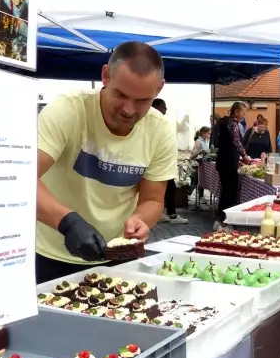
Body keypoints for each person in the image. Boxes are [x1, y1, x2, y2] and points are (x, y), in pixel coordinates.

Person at [36, 42, 177, 283]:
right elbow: (20, 178)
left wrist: (140, 221)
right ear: (105, 76)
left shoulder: (160, 130)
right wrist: (67, 222)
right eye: (121, 95)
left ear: (159, 89)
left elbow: (153, 199)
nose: (128, 110)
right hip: (51, 255)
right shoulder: (68, 110)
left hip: (117, 257)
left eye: (143, 100)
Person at [151, 98, 188, 225]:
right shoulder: (153, 120)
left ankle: (161, 212)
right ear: (156, 106)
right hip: (159, 161)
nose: (166, 110)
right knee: (168, 187)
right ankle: (171, 214)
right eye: (164, 107)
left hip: (163, 160)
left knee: (165, 187)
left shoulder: (158, 120)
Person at [214, 102, 249, 231]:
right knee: (230, 191)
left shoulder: (224, 122)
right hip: (228, 160)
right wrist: (244, 156)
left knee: (225, 191)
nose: (243, 116)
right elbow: (236, 141)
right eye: (242, 113)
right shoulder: (232, 124)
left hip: (223, 159)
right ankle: (224, 222)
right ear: (236, 112)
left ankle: (220, 219)